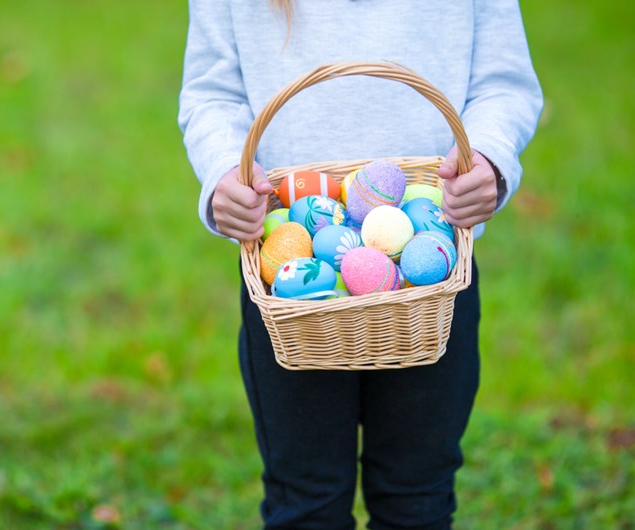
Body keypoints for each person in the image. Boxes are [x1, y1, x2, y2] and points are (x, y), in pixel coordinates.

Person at [178, 1, 543, 528]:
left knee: (416, 499)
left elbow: (503, 82)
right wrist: (223, 172)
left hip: (430, 280)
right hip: (291, 285)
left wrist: (487, 157)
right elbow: (213, 91)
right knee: (305, 501)